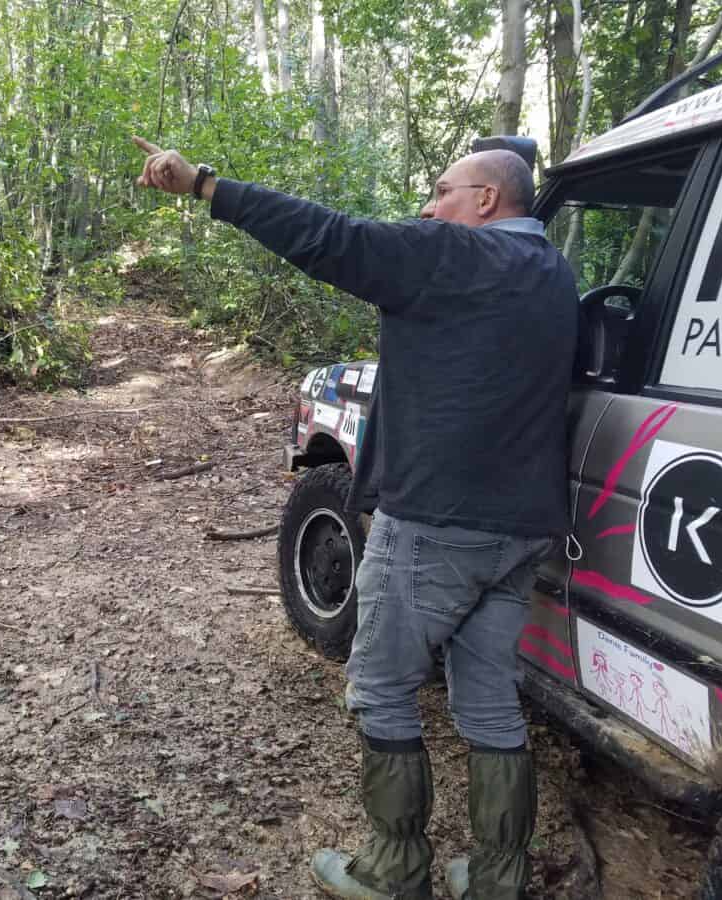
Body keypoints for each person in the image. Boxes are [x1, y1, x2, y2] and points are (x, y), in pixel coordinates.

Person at [132, 135, 577, 900]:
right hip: (520, 532)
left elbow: (331, 238)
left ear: (486, 201)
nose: (429, 206)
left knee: (377, 683)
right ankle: (500, 878)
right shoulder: (555, 275)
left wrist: (206, 185)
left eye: (443, 191)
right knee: (488, 700)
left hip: (439, 524)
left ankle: (394, 867)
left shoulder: (455, 256)